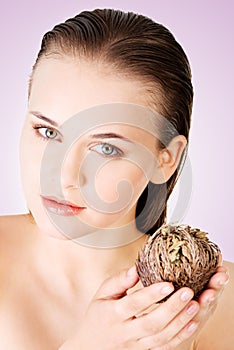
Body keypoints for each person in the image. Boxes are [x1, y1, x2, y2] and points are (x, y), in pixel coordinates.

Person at [0, 8, 232, 349]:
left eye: (106, 149)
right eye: (47, 131)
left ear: (165, 159)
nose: (62, 174)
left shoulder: (212, 303)